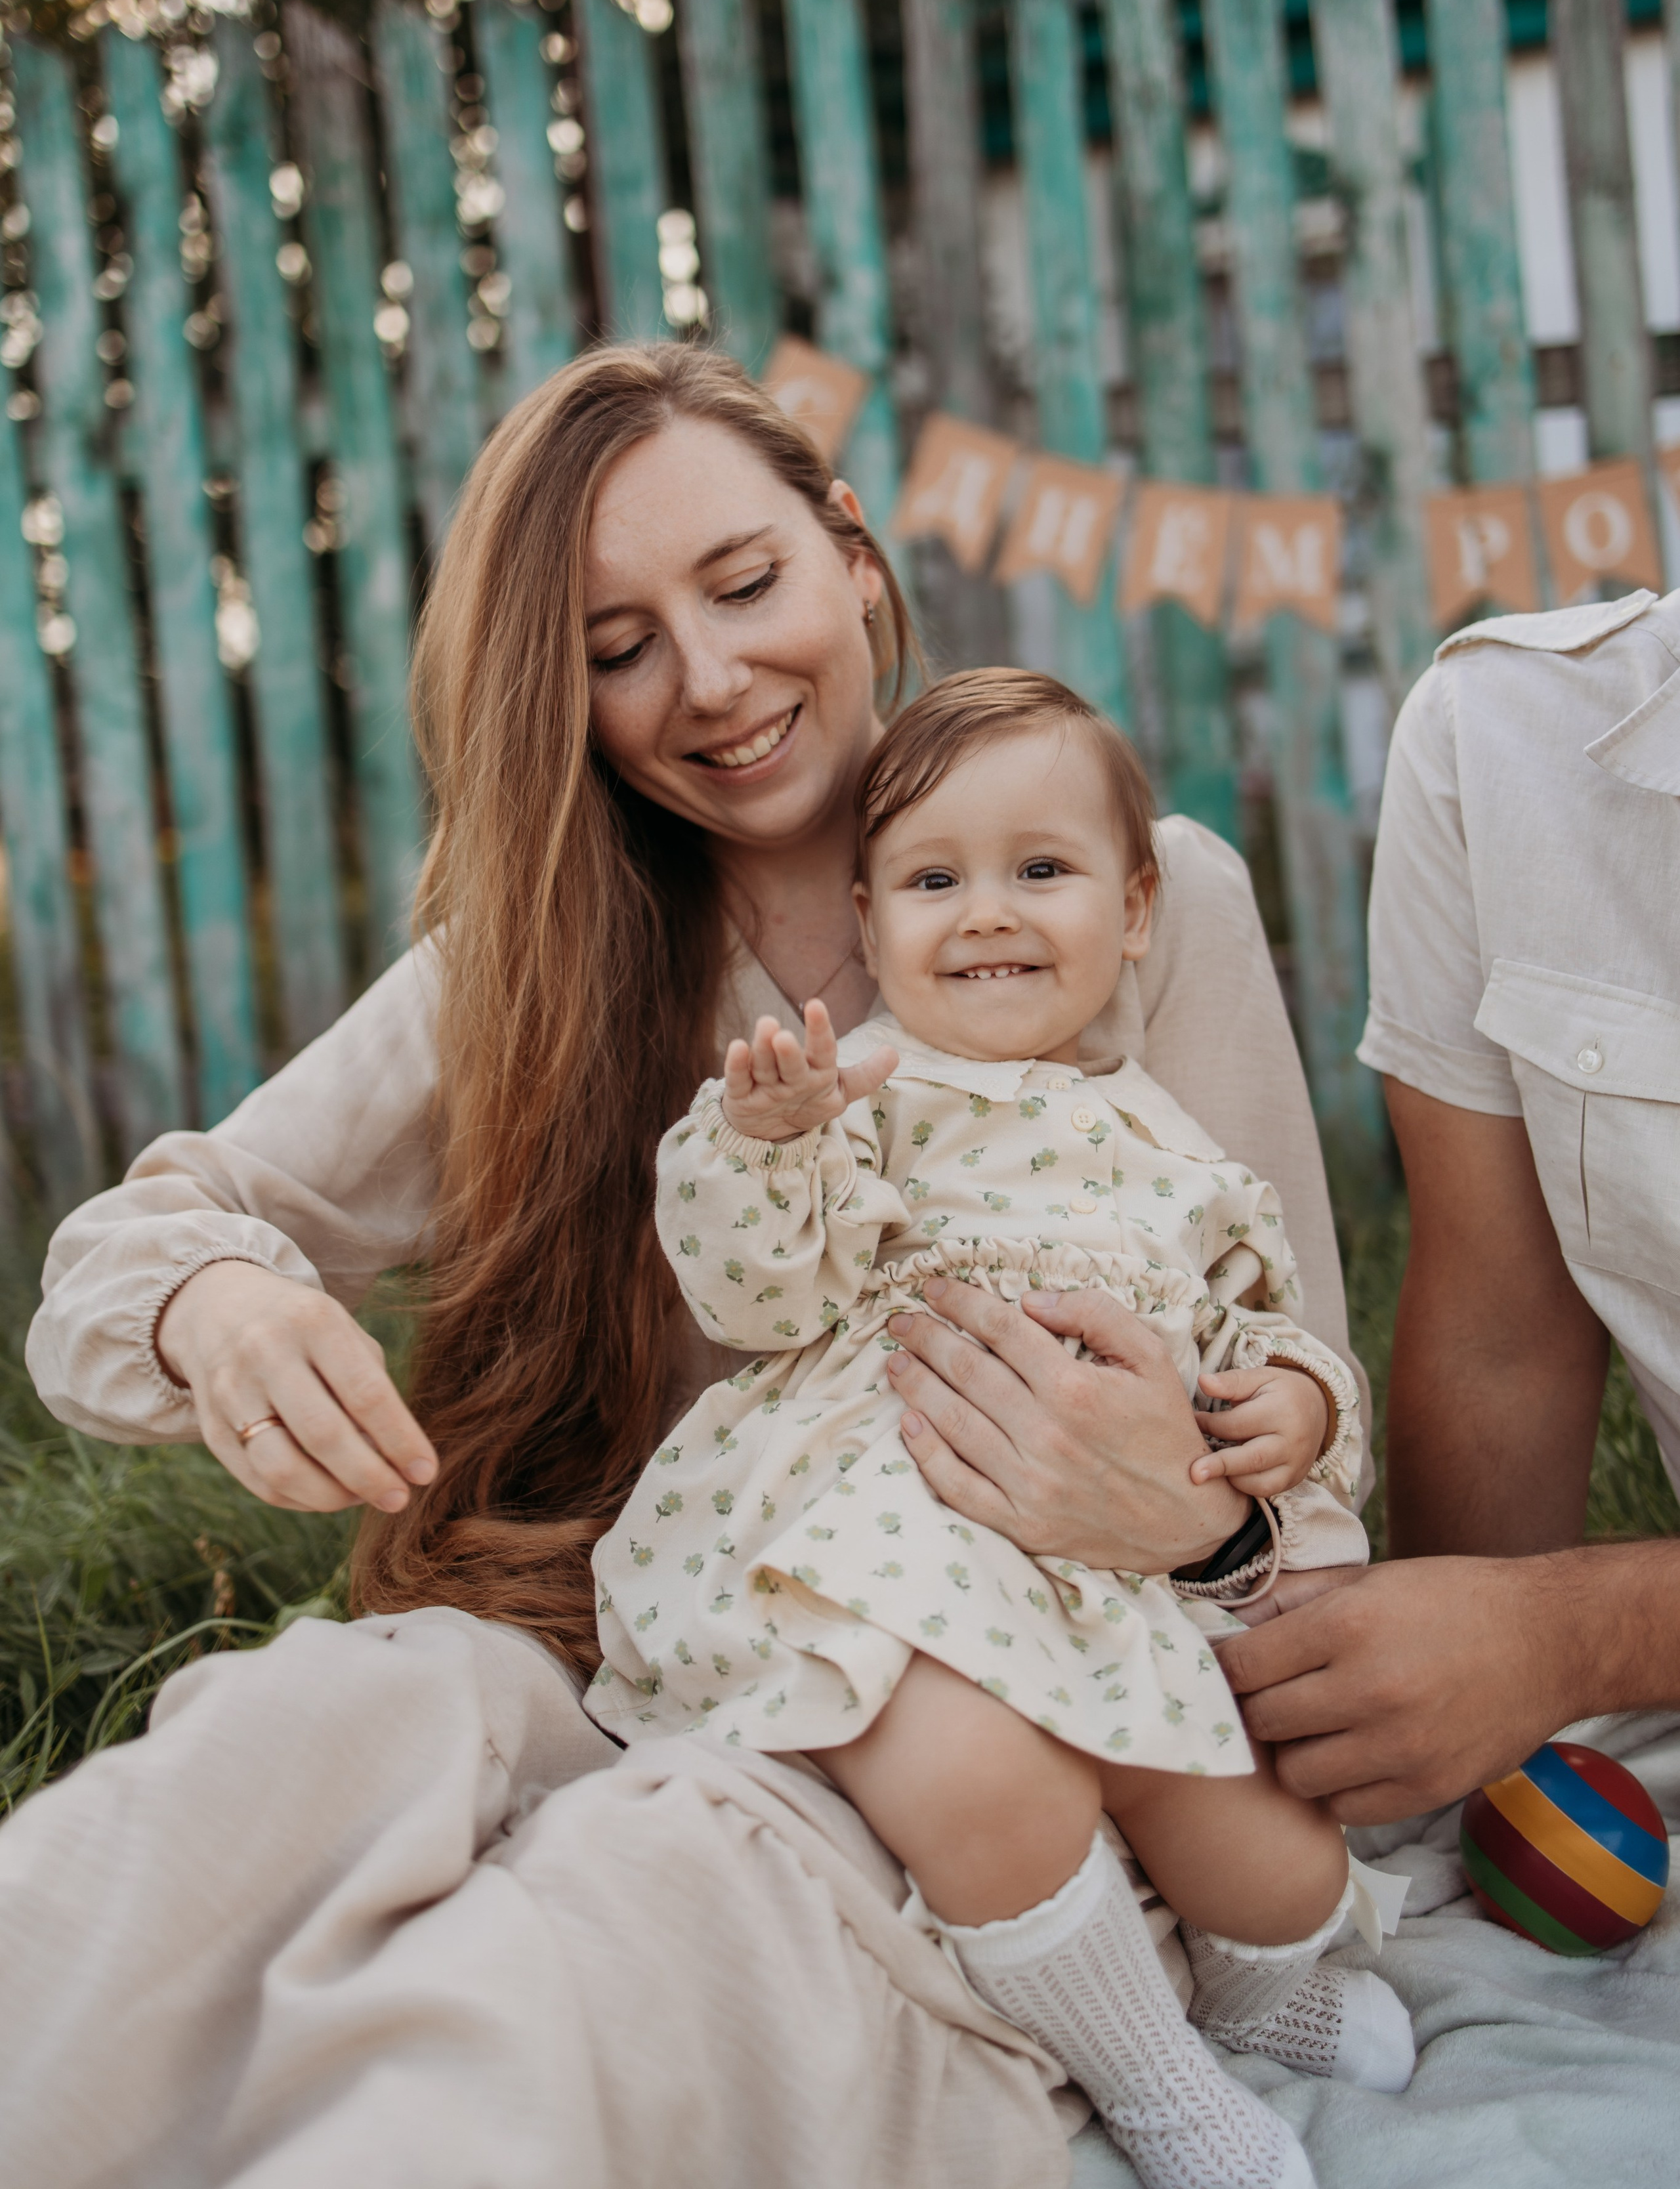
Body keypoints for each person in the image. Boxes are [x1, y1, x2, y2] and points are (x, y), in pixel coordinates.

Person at [13, 345, 1362, 2181]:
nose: (711, 682)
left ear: (855, 559)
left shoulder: (1123, 893)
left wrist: (1204, 1520)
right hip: (620, 1634)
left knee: (571, 1966)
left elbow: (1305, 1424)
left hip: (966, 1720)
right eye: (615, 642)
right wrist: (219, 1298)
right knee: (274, 1754)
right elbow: (119, 1255)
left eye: (744, 587)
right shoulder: (538, 965)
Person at [593, 669, 1410, 2189]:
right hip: (886, 1523)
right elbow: (761, 1286)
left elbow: (1253, 1328)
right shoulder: (871, 1099)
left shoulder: (1171, 1147)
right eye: (930, 880)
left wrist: (1294, 1402)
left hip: (1100, 1564)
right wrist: (764, 1145)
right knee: (981, 1782)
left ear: (1136, 908)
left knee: (1284, 1864)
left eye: (1039, 871)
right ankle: (1156, 2087)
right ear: (867, 916)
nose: (983, 914)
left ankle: (1252, 1988)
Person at [1224, 590, 1680, 1827]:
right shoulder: (1506, 734)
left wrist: (1576, 1637)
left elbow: (1564, 1640)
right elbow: (1502, 1329)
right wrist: (1432, 1720)